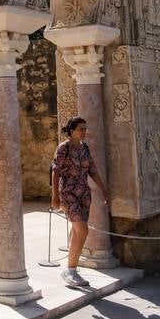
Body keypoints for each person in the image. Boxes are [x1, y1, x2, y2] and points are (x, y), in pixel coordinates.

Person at [51, 116, 111, 287]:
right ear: (71, 131)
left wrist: (103, 190)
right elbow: (55, 171)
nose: (84, 132)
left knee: (79, 231)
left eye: (85, 129)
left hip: (84, 194)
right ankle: (70, 270)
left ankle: (72, 266)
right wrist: (55, 196)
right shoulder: (64, 148)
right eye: (80, 129)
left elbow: (92, 170)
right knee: (82, 230)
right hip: (68, 194)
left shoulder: (85, 148)